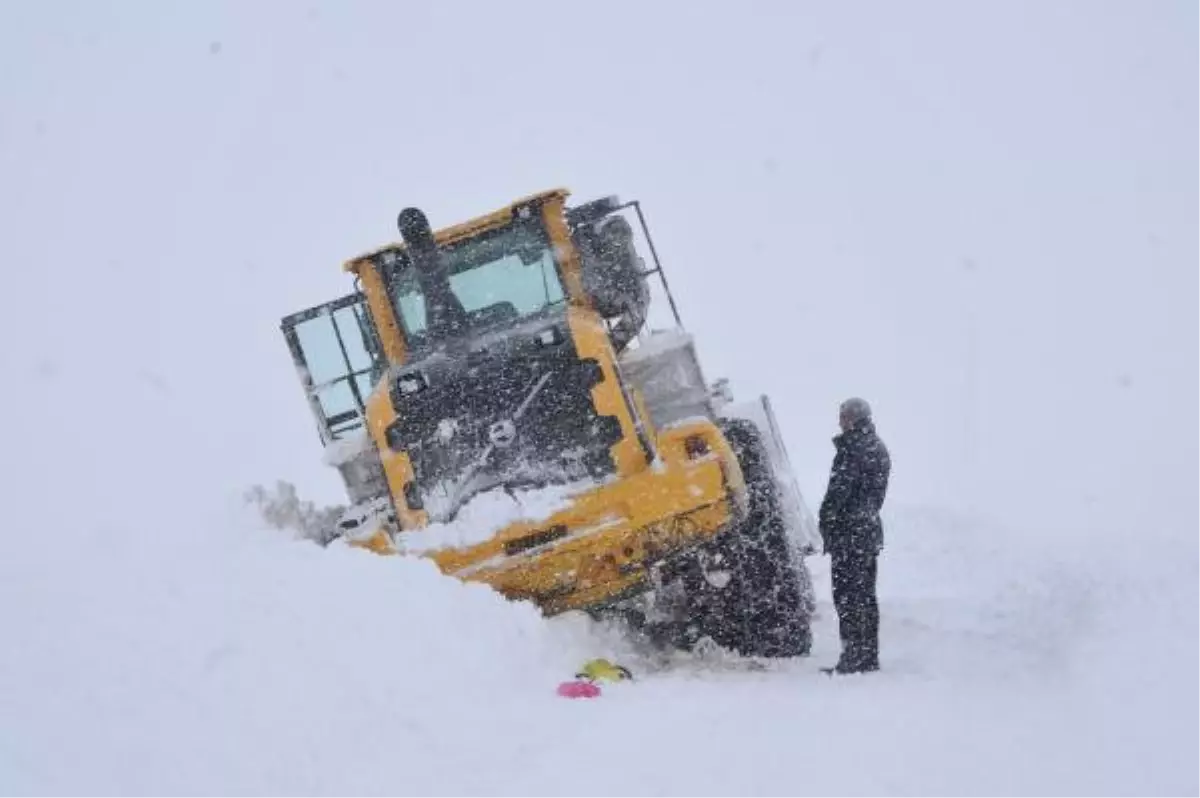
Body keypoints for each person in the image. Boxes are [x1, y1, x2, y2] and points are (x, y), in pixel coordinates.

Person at [819, 397, 891, 674]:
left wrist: (827, 520)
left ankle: (852, 657)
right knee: (865, 596)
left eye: (843, 416)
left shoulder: (853, 449)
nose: (840, 421)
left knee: (848, 598)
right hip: (867, 531)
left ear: (852, 418)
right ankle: (868, 655)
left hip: (850, 534)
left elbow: (839, 493)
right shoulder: (876, 447)